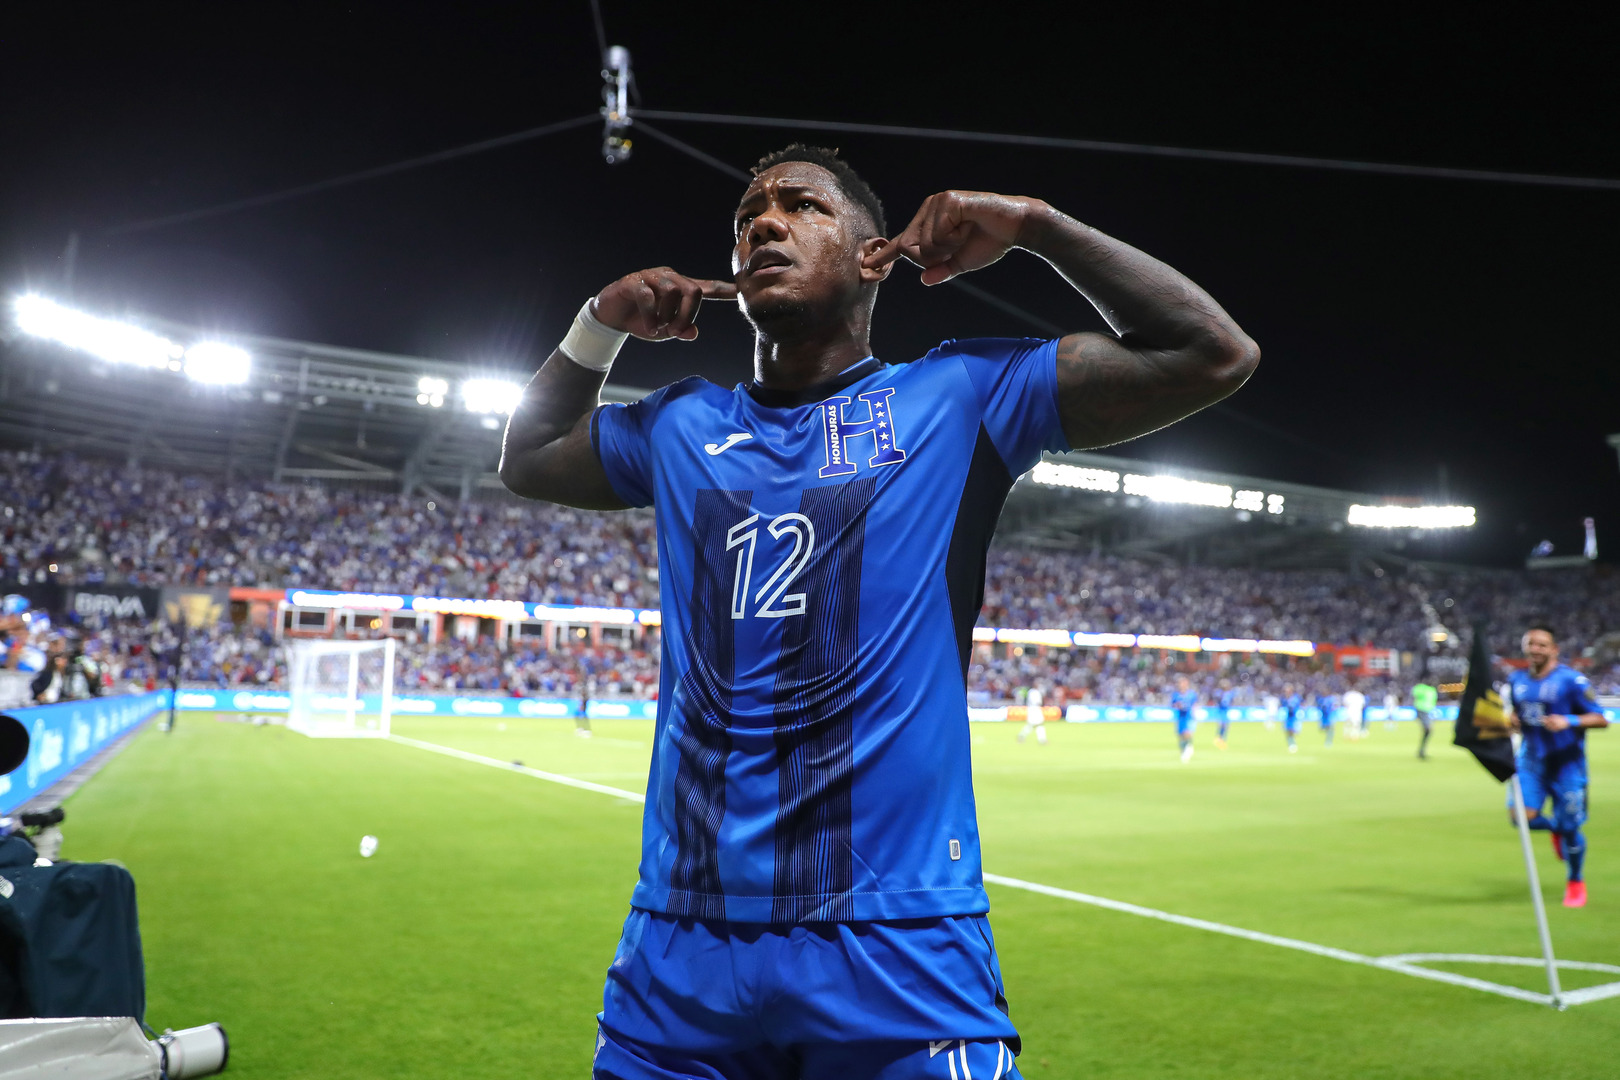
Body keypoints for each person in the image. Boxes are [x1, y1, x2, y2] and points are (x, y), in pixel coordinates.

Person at [499, 143, 1258, 1078]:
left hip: (896, 943)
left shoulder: (960, 395)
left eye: (801, 207)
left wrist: (1035, 227)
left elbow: (1213, 352)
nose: (763, 225)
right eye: (746, 218)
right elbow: (527, 455)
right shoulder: (678, 423)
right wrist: (596, 326)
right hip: (680, 944)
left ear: (874, 255)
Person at [1506, 624, 1608, 908]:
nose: (1535, 649)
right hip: (1531, 760)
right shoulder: (1516, 680)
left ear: (1554, 649)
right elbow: (1518, 715)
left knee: (1572, 827)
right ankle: (1555, 829)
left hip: (1568, 765)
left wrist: (1569, 720)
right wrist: (1512, 720)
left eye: (1542, 644)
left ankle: (1575, 880)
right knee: (1519, 817)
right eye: (1531, 644)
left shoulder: (1572, 681)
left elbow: (1601, 718)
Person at [1171, 676, 1198, 762]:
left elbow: (1195, 704)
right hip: (1180, 717)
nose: (1181, 685)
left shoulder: (1191, 694)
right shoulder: (1176, 695)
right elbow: (1173, 704)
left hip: (1189, 717)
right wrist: (1178, 706)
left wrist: (1195, 714)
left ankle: (1189, 747)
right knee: (1181, 736)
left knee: (1187, 733)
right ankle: (1183, 751)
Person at [1412, 681, 1438, 759]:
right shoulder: (1422, 688)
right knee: (1428, 730)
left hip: (1426, 711)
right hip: (1422, 710)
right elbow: (1416, 694)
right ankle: (1421, 751)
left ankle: (1421, 751)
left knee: (1428, 731)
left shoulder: (1431, 690)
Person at [1215, 680, 1236, 749]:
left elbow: (1231, 701)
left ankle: (1222, 740)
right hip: (1221, 711)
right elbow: (1218, 701)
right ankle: (1219, 738)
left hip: (1226, 711)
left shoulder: (1230, 693)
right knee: (1222, 725)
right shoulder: (1219, 693)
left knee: (1226, 726)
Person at [1282, 684, 1303, 753]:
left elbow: (1293, 708)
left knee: (1291, 732)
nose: (1286, 692)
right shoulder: (1286, 699)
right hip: (1288, 718)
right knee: (1288, 732)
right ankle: (1291, 745)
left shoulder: (1294, 699)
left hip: (1293, 719)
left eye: (1287, 691)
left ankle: (1293, 745)